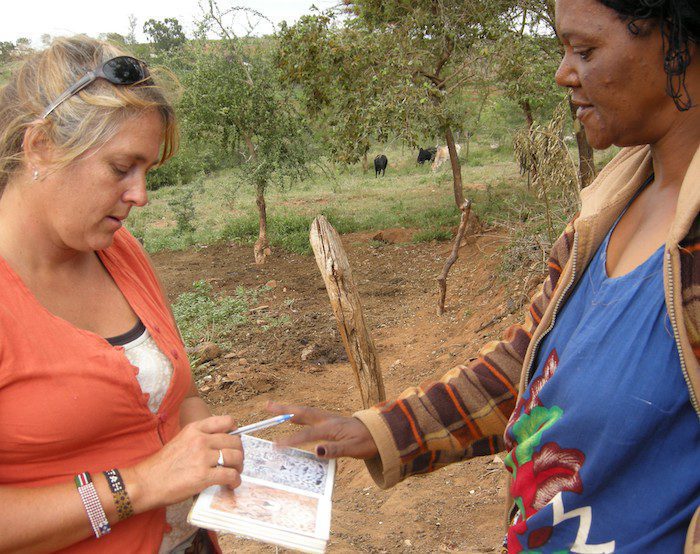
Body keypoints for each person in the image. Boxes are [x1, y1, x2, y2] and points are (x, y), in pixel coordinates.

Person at [268, 0, 700, 551]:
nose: (563, 73)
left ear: (677, 41)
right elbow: (524, 372)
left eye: (585, 50)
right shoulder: (602, 216)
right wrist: (378, 431)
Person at [0, 36, 244, 553]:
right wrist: (143, 484)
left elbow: (184, 396)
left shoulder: (120, 251)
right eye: (120, 168)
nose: (140, 195)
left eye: (146, 171)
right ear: (40, 146)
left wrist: (210, 443)